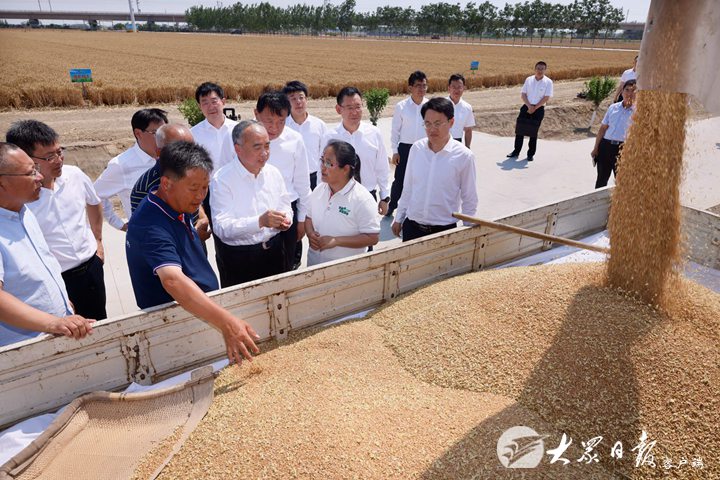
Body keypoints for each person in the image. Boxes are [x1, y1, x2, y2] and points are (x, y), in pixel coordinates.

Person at [126, 141, 260, 365]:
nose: (200, 196)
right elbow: (172, 280)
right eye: (194, 188)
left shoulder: (176, 202)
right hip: (175, 327)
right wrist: (227, 323)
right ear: (166, 183)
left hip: (202, 311)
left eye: (205, 188)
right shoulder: (149, 225)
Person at [7, 120, 107, 320]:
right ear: (25, 158)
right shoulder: (21, 201)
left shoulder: (75, 175)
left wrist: (98, 240)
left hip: (91, 268)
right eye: (49, 157)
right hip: (58, 279)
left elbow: (94, 203)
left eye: (59, 152)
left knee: (100, 324)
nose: (58, 160)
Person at [0, 143, 95, 347]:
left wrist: (62, 303)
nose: (40, 177)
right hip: (22, 351)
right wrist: (52, 322)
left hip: (54, 338)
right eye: (30, 173)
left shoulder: (24, 212)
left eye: (36, 169)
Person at [210, 121, 292, 287]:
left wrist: (285, 220)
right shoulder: (222, 179)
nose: (264, 153)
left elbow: (285, 205)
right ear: (238, 149)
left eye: (267, 146)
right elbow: (221, 228)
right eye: (257, 147)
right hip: (240, 259)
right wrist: (259, 222)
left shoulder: (273, 173)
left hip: (275, 251)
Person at [391, 98, 478, 242]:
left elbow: (469, 199)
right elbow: (408, 188)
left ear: (451, 122)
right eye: (427, 123)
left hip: (444, 232)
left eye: (438, 123)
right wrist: (399, 218)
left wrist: (468, 231)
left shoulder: (464, 156)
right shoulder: (417, 149)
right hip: (412, 227)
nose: (432, 129)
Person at [254, 91, 311, 271]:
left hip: (286, 213)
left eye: (281, 121)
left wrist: (301, 220)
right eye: (269, 121)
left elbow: (302, 184)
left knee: (285, 267)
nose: (274, 128)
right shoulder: (242, 137)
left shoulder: (295, 140)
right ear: (256, 114)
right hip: (253, 211)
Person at [129, 123, 211, 242]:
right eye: (180, 149)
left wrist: (202, 218)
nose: (190, 155)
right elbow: (149, 235)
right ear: (159, 152)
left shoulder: (192, 173)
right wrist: (192, 236)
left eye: (192, 148)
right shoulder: (144, 189)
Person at [305, 140, 380, 266]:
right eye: (322, 160)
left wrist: (337, 241)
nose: (322, 167)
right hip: (314, 264)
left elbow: (372, 237)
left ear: (345, 169)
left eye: (328, 163)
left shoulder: (362, 199)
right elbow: (308, 218)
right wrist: (310, 233)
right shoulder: (319, 190)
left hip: (345, 269)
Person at [94, 108, 168, 231]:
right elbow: (95, 194)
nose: (162, 138)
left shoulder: (171, 156)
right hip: (146, 236)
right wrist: (119, 224)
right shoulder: (121, 165)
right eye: (155, 133)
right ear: (138, 133)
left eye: (164, 132)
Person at [322, 87, 391, 215]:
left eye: (358, 107)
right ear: (338, 109)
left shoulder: (374, 134)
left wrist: (384, 197)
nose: (354, 112)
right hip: (338, 197)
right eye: (349, 108)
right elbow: (323, 169)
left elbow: (382, 167)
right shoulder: (330, 138)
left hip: (368, 196)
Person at [388, 70, 429, 216]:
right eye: (418, 86)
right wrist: (395, 151)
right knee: (400, 180)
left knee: (422, 179)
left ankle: (416, 208)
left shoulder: (430, 106)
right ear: (410, 87)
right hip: (405, 149)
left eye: (424, 86)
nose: (421, 89)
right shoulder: (401, 106)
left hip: (424, 149)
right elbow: (395, 131)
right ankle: (392, 206)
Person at [591, 79, 637, 189]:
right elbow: (603, 129)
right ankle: (598, 199)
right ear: (622, 92)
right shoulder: (613, 107)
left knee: (621, 181)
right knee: (601, 179)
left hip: (623, 149)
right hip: (605, 147)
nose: (629, 94)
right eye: (627, 90)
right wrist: (596, 148)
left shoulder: (638, 112)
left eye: (633, 91)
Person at [282, 80, 327, 191]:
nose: (298, 102)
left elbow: (325, 154)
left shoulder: (319, 125)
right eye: (293, 99)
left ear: (306, 99)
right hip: (290, 180)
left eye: (301, 97)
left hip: (315, 178)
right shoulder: (282, 126)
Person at [507, 61, 553, 162]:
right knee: (519, 130)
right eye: (538, 68)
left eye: (542, 69)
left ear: (545, 70)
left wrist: (535, 107)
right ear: (535, 69)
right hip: (526, 107)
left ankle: (530, 154)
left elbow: (546, 97)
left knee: (533, 132)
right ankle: (516, 151)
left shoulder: (548, 82)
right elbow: (523, 94)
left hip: (539, 109)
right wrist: (529, 106)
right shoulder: (529, 79)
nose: (540, 70)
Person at [190, 82, 239, 171]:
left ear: (223, 102)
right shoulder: (192, 134)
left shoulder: (239, 129)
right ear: (199, 106)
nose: (211, 107)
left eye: (214, 101)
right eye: (205, 103)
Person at [447, 73, 476, 148]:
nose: (456, 90)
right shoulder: (440, 104)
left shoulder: (467, 107)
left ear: (464, 88)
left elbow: (468, 130)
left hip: (458, 144)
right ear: (449, 88)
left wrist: (467, 147)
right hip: (441, 143)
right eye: (454, 87)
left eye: (459, 87)